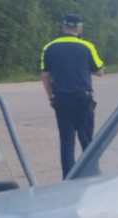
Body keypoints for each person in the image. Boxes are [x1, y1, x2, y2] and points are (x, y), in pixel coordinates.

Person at [41, 13, 104, 178]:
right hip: (83, 100)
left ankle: (68, 179)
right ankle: (91, 175)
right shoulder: (87, 46)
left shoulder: (49, 47)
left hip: (61, 99)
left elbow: (45, 76)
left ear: (63, 27)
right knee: (87, 141)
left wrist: (51, 97)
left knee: (66, 143)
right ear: (79, 28)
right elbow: (100, 71)